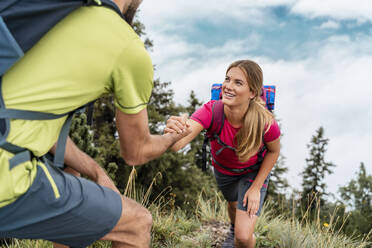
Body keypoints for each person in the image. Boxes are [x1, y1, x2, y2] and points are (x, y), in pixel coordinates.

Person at [0, 0, 190, 247]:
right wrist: (172, 137)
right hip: (7, 177)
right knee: (137, 223)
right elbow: (136, 152)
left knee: (69, 175)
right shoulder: (126, 45)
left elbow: (32, 124)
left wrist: (97, 172)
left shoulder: (44, 15)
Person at [164, 60, 281, 248]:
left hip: (253, 171)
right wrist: (173, 132)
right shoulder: (211, 111)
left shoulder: (265, 122)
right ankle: (233, 228)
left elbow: (274, 151)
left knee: (243, 238)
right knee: (232, 203)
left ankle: (239, 236)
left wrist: (255, 188)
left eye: (238, 83)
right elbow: (177, 145)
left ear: (252, 93)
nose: (228, 86)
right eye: (227, 79)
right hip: (223, 171)